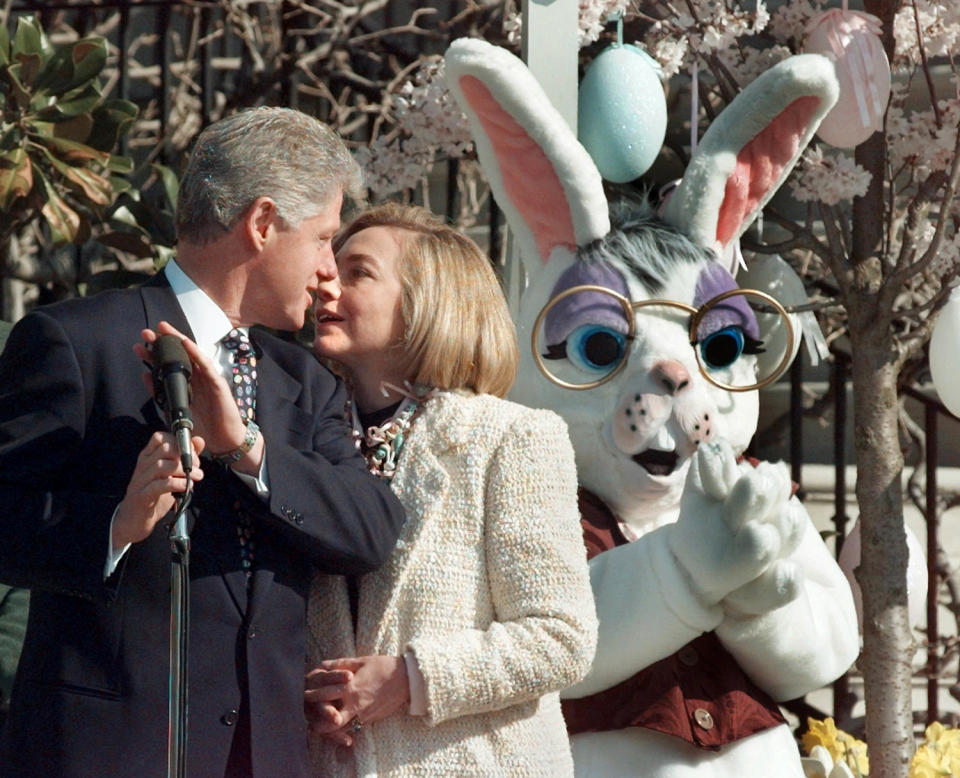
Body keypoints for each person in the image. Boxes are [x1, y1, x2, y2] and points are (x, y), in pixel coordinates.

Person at [0, 107, 406, 778]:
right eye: (323, 239)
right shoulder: (75, 343)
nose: (329, 271)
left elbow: (370, 531)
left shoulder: (308, 385)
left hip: (263, 756)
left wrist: (247, 448)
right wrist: (115, 526)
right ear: (263, 224)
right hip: (107, 753)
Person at [304, 202, 598, 777]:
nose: (324, 284)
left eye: (357, 272)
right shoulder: (304, 442)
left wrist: (409, 681)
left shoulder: (510, 438)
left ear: (426, 300)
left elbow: (561, 636)